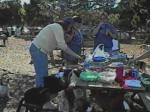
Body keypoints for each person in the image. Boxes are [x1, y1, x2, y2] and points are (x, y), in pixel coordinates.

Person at [29, 20, 82, 88]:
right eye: (71, 27)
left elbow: (65, 42)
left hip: (41, 51)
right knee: (41, 74)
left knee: (44, 74)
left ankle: (42, 91)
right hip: (38, 49)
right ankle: (39, 92)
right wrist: (76, 56)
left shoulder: (59, 30)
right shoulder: (58, 27)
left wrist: (70, 35)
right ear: (68, 25)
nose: (70, 29)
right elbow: (63, 47)